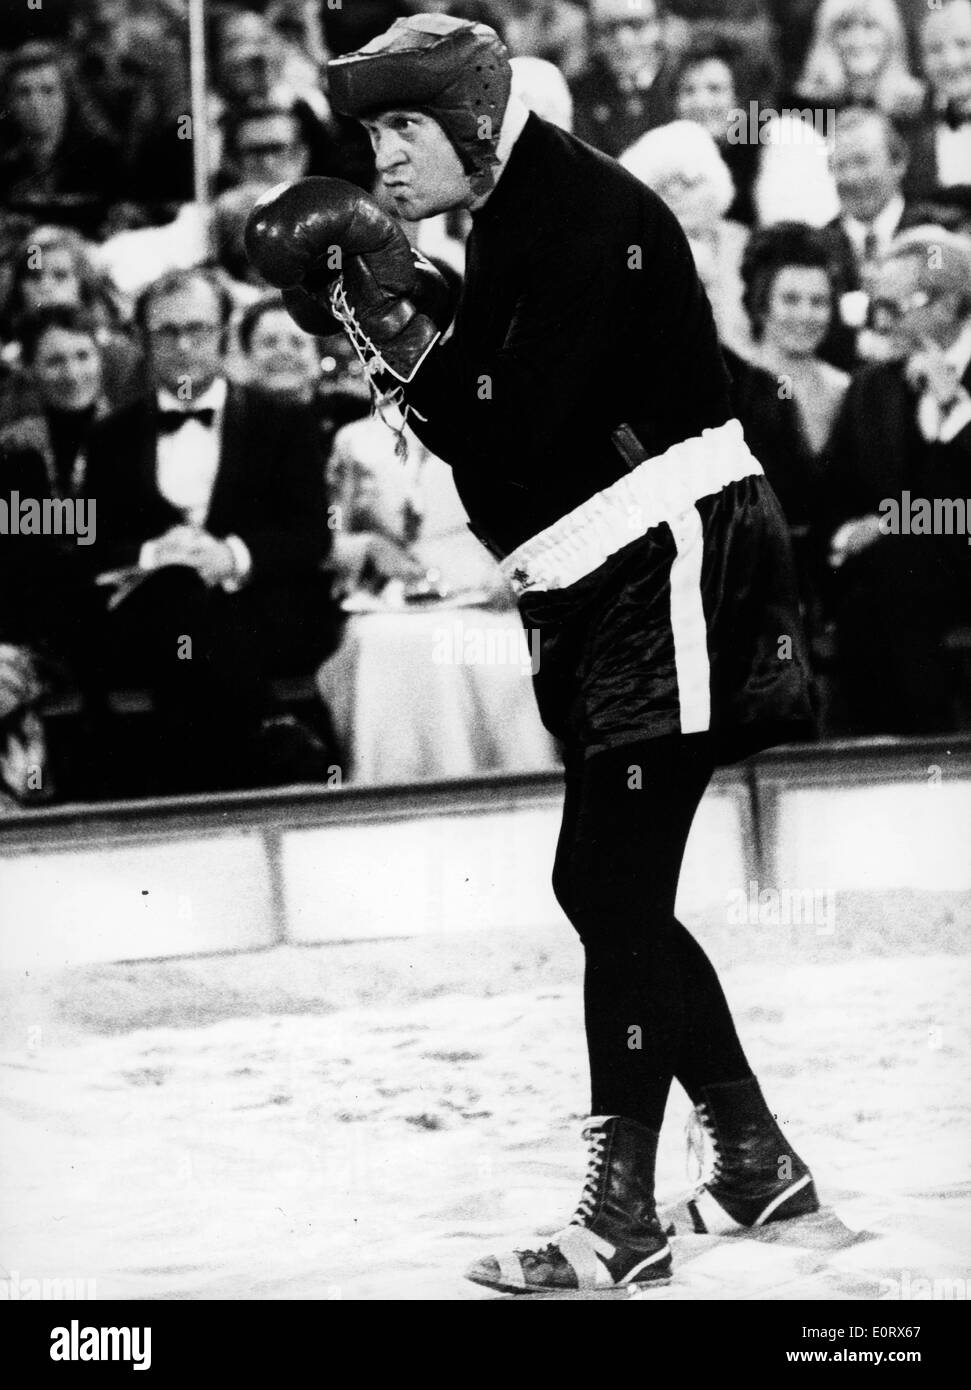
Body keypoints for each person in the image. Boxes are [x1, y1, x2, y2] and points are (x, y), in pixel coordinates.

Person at [248, 12, 819, 1296]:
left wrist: (384, 320)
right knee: (607, 890)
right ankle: (753, 1158)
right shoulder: (514, 213)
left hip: (670, 559)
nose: (383, 162)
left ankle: (620, 1220)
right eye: (371, 134)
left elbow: (505, 439)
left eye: (401, 128)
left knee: (604, 888)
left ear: (461, 123)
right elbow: (506, 396)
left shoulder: (570, 215)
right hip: (614, 572)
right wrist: (411, 302)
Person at [81, 268, 342, 795]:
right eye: (167, 332)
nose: (183, 345)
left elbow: (311, 534)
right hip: (153, 616)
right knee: (178, 595)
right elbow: (88, 544)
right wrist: (156, 551)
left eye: (197, 329)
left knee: (199, 622)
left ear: (223, 334)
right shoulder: (111, 436)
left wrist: (232, 556)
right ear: (143, 341)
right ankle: (269, 734)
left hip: (260, 606)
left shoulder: (282, 420)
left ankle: (190, 792)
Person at [823, 227, 971, 735]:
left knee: (891, 569)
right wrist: (849, 532)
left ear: (948, 305)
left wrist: (950, 410)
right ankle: (879, 760)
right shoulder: (872, 386)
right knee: (872, 587)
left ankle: (923, 752)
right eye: (874, 306)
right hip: (893, 576)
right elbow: (839, 489)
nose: (879, 323)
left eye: (893, 306)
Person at [570, 0, 679, 158]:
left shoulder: (687, 83)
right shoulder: (580, 94)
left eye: (636, 25)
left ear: (661, 26)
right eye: (609, 28)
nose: (623, 40)